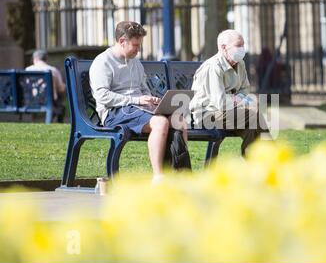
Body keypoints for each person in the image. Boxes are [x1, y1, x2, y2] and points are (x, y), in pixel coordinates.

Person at [89, 21, 187, 183]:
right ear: (122, 41)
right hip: (115, 111)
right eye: (135, 45)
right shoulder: (103, 62)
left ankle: (180, 172)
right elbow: (102, 96)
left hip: (138, 108)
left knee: (178, 120)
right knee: (161, 123)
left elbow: (143, 89)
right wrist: (137, 100)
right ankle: (158, 176)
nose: (138, 50)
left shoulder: (135, 62)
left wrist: (151, 100)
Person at [189, 29, 270, 156]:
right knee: (254, 116)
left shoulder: (240, 63)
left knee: (253, 125)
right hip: (207, 114)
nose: (242, 49)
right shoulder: (213, 67)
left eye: (243, 45)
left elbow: (245, 89)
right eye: (238, 46)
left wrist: (239, 100)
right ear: (223, 47)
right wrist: (241, 101)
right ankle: (271, 159)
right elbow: (220, 103)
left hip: (231, 112)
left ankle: (258, 163)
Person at [26, 49, 66, 122]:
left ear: (35, 59)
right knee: (61, 102)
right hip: (49, 100)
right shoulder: (53, 70)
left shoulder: (27, 70)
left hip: (31, 100)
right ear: (46, 59)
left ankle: (33, 121)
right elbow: (61, 89)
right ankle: (55, 119)